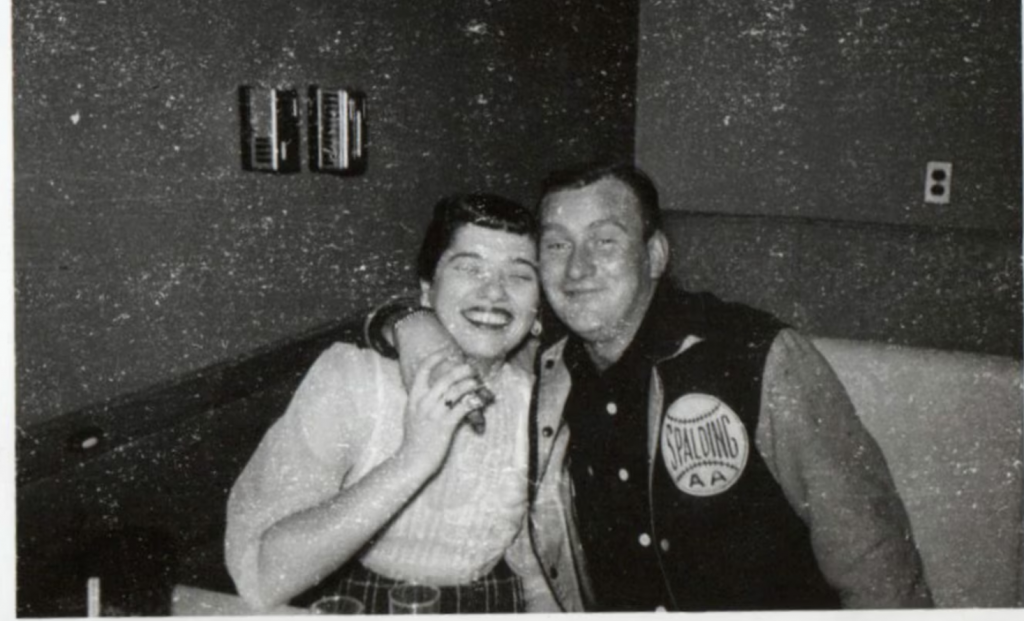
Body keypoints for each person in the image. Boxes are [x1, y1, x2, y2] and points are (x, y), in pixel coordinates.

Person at [376, 163, 934, 612]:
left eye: (605, 241)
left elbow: (876, 561)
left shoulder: (759, 356)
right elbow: (455, 317)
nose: (578, 269)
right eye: (557, 246)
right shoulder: (546, 367)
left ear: (655, 255)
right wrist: (407, 322)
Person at [224, 193, 557, 613]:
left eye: (520, 275)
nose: (493, 291)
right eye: (469, 267)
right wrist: (414, 458)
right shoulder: (351, 380)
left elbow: (540, 567)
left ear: (537, 308)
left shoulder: (541, 404)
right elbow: (262, 579)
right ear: (426, 291)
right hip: (361, 604)